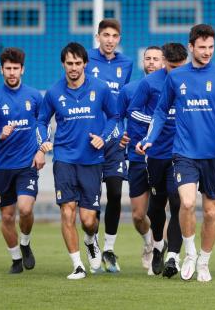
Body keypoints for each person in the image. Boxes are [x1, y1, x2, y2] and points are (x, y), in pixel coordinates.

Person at [139, 24, 215, 283]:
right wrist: (149, 139)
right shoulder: (176, 77)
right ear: (191, 47)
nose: (207, 52)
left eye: (211, 47)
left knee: (211, 212)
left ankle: (204, 261)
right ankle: (188, 254)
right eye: (202, 47)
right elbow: (160, 111)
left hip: (212, 156)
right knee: (187, 203)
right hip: (184, 153)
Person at [35, 43, 119, 279]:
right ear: (63, 64)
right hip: (63, 159)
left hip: (92, 161)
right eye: (69, 63)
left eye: (77, 63)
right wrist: (43, 143)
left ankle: (91, 240)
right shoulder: (53, 92)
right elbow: (41, 121)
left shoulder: (100, 89)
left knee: (88, 220)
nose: (73, 68)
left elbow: (114, 117)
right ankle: (77, 265)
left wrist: (103, 138)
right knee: (67, 212)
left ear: (85, 64)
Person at [0, 48, 42, 274]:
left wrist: (42, 150)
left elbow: (42, 126)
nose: (12, 72)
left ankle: (25, 243)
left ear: (22, 69)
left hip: (27, 164)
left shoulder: (34, 96)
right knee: (7, 216)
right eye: (8, 68)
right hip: (3, 167)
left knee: (25, 209)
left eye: (16, 68)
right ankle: (16, 259)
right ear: (1, 70)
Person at [131, 43, 187, 278]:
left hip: (182, 153)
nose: (175, 72)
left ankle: (173, 256)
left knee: (178, 201)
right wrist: (156, 120)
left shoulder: (190, 80)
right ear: (164, 62)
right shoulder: (149, 83)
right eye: (172, 66)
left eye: (179, 67)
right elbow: (133, 111)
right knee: (156, 205)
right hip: (155, 153)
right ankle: (157, 247)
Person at [86, 18, 133, 273]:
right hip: (91, 140)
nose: (110, 40)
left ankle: (109, 248)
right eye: (106, 35)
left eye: (114, 36)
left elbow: (123, 102)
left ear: (119, 39)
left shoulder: (126, 63)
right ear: (98, 36)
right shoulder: (86, 60)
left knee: (115, 193)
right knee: (92, 203)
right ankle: (90, 241)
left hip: (115, 137)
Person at [116, 46, 163, 273]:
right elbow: (117, 118)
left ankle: (163, 251)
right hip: (136, 157)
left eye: (156, 59)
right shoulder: (129, 90)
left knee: (162, 209)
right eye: (148, 58)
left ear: (164, 63)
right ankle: (148, 244)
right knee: (137, 214)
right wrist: (121, 135)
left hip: (162, 155)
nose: (151, 62)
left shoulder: (169, 87)